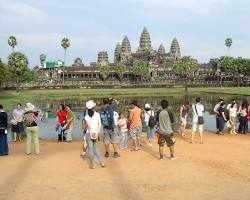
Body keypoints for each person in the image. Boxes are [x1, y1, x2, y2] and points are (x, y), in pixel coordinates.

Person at [84, 100, 105, 169]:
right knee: (96, 149)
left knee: (91, 149)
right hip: (95, 133)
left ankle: (92, 165)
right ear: (93, 107)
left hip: (89, 133)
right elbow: (100, 124)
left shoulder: (86, 116)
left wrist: (90, 134)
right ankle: (102, 163)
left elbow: (89, 126)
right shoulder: (98, 114)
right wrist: (97, 133)